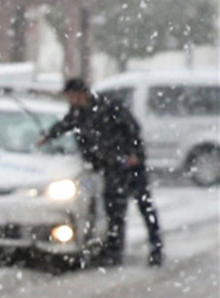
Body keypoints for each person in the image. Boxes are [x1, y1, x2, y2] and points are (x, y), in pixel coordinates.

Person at [38, 77, 164, 267]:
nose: (71, 101)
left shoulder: (109, 107)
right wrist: (47, 137)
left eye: (72, 96)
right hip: (110, 166)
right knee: (114, 209)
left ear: (82, 94)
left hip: (129, 165)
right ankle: (114, 251)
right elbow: (65, 125)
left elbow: (132, 128)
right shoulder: (79, 112)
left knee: (144, 207)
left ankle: (156, 249)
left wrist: (134, 154)